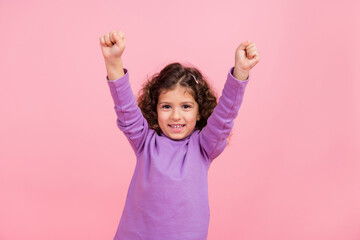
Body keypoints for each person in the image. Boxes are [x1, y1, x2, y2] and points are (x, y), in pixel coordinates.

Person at [99, 30, 260, 240]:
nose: (176, 116)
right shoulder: (144, 142)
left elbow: (225, 116)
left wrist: (240, 73)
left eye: (185, 106)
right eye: (166, 106)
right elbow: (126, 108)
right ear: (154, 109)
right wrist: (113, 61)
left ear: (199, 110)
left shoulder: (203, 147)